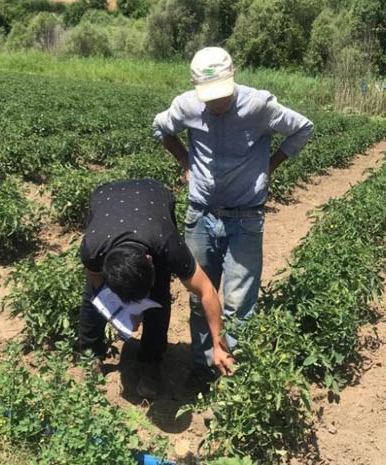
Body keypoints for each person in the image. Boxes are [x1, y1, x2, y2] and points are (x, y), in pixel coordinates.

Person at [152, 47, 314, 393]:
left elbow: (303, 128)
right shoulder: (187, 106)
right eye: (209, 98)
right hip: (201, 214)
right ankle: (202, 364)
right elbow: (160, 128)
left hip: (246, 217)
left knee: (240, 303)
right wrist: (185, 162)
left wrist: (269, 166)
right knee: (199, 296)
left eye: (222, 95)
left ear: (234, 77)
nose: (217, 104)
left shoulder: (258, 106)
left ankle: (232, 371)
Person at [78, 178, 234, 399]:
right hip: (106, 197)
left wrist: (219, 346)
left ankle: (150, 360)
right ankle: (90, 354)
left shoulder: (167, 245)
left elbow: (207, 291)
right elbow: (95, 281)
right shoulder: (92, 249)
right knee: (93, 298)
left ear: (150, 259)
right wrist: (118, 312)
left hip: (155, 193)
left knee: (159, 296)